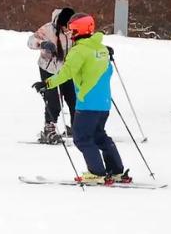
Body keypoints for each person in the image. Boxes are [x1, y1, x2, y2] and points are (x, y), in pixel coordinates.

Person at [39, 14, 127, 185]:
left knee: (82, 138)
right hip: (104, 103)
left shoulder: (78, 51)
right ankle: (115, 170)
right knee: (99, 136)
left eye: (72, 29)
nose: (69, 33)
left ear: (79, 30)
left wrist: (47, 84)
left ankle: (97, 173)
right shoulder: (101, 49)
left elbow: (66, 73)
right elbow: (108, 72)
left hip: (87, 103)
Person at [27, 7, 77, 144]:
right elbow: (30, 41)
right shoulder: (47, 29)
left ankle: (77, 126)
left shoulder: (73, 30)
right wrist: (42, 43)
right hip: (48, 68)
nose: (66, 28)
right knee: (53, 98)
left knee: (73, 97)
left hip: (67, 69)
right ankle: (49, 128)